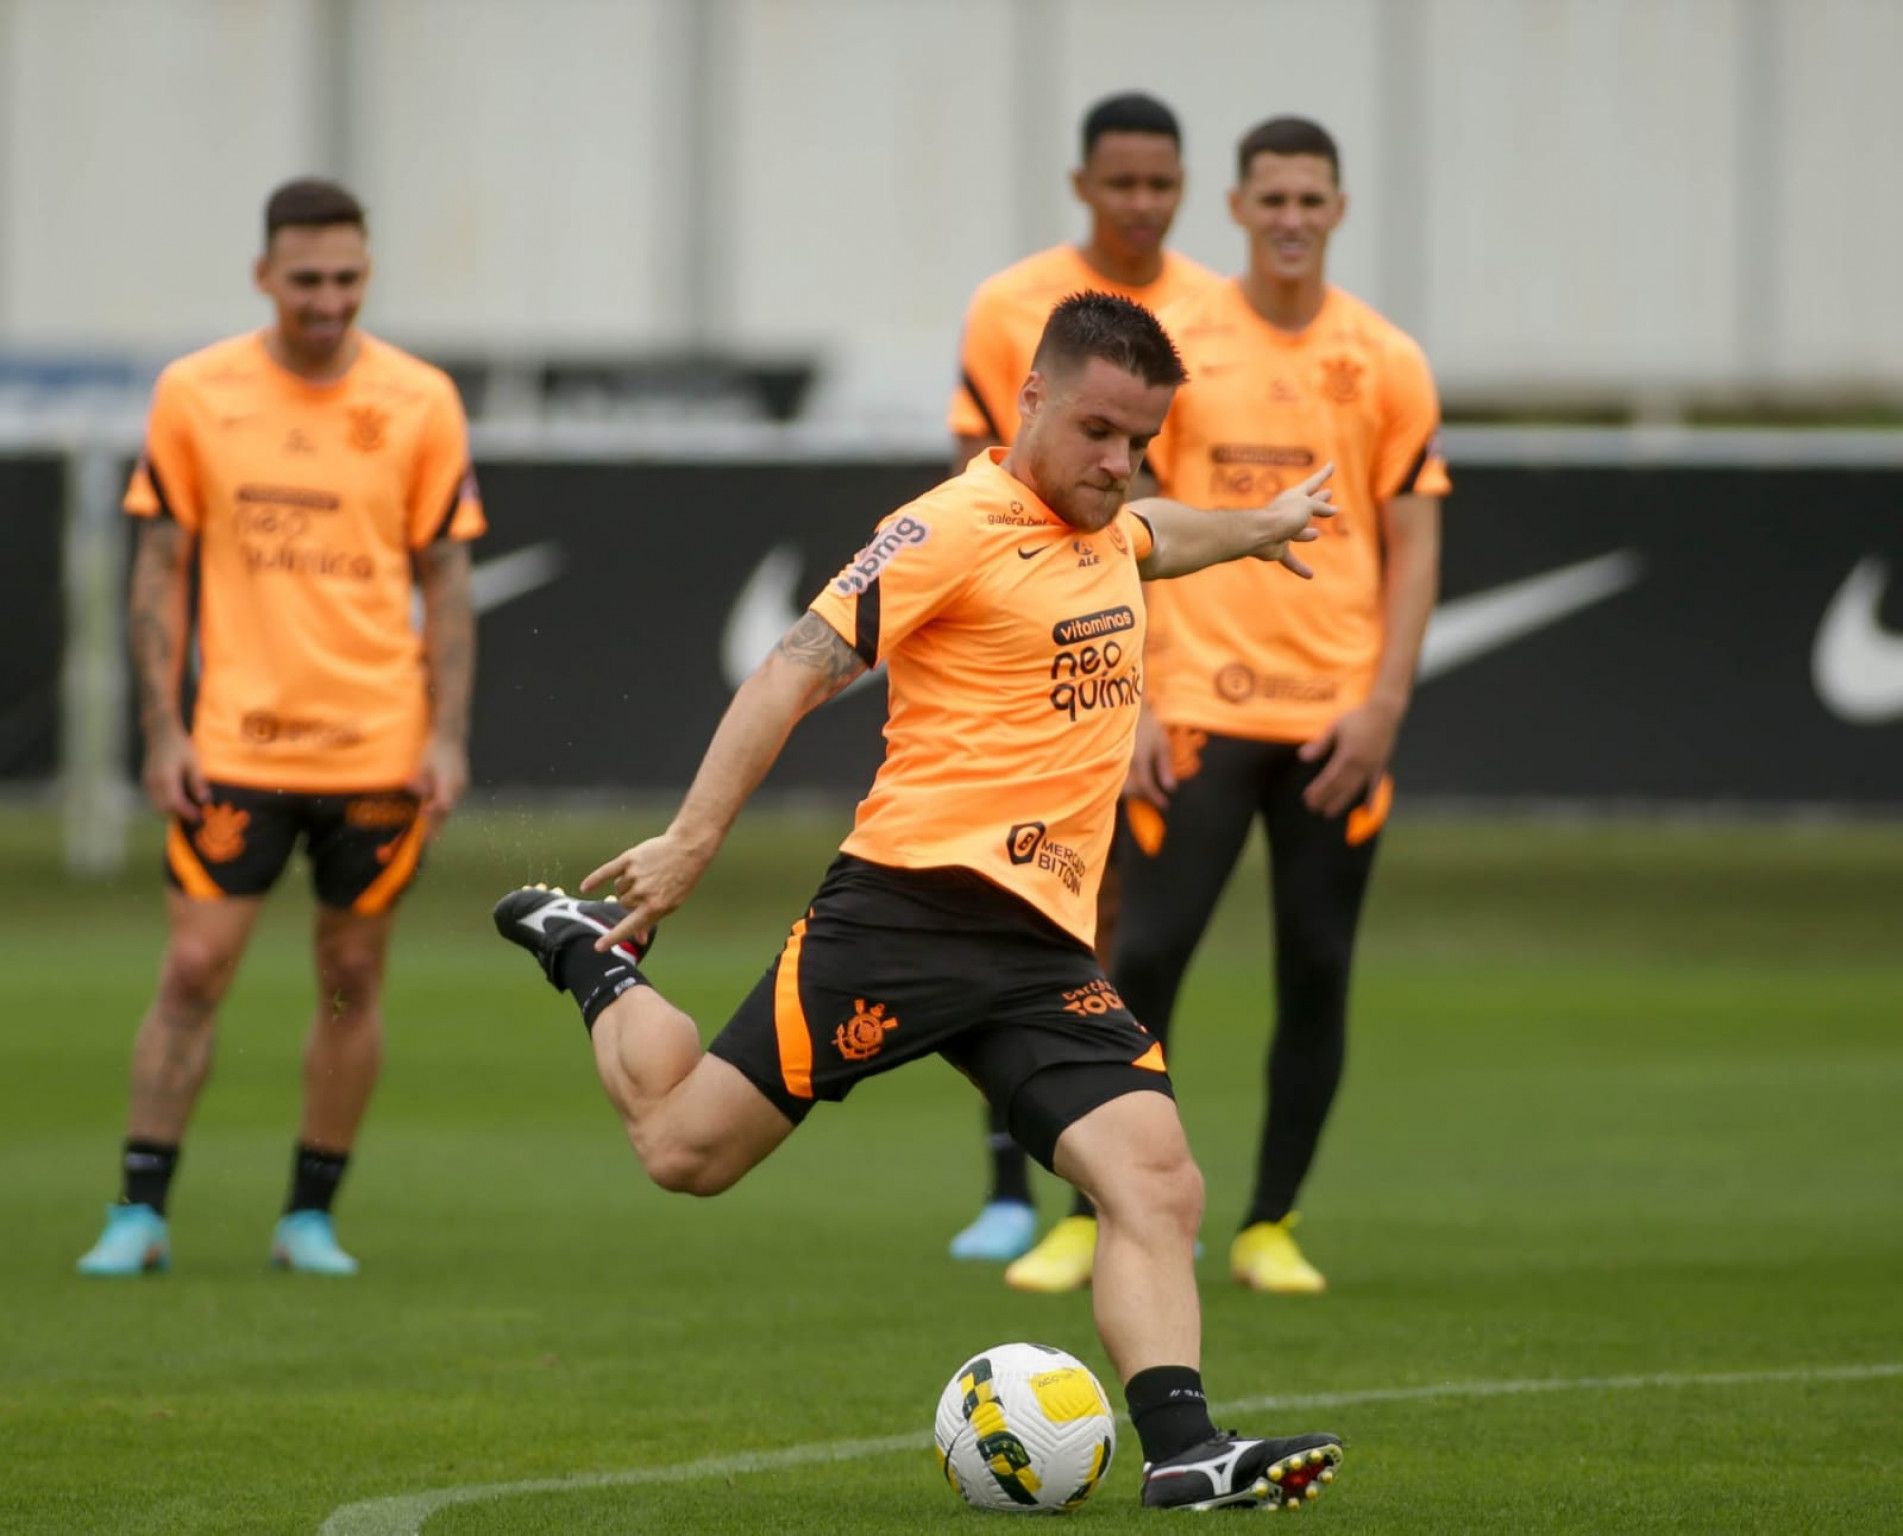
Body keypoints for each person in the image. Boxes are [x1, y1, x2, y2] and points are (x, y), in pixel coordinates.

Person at [493, 293, 1346, 1511]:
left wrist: (1261, 522)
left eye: (1140, 439)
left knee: (1157, 1182)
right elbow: (787, 672)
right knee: (685, 1151)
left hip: (1042, 949)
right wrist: (690, 843)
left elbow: (1162, 530)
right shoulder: (944, 527)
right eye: (1099, 430)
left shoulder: (1107, 524)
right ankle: (591, 961)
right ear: (1032, 400)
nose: (1118, 462)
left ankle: (1183, 1451)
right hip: (908, 912)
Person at [1001, 116, 1451, 1297]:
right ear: (1239, 209)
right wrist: (1138, 696)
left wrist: (1384, 706)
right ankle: (1092, 1210)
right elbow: (1118, 521)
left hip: (1333, 726)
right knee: (1136, 960)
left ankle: (1270, 1224)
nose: (1292, 218)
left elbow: (1414, 543)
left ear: (1338, 210)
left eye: (1313, 199)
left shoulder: (1386, 359)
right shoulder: (1181, 347)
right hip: (1191, 706)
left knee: (1316, 964)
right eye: (1273, 199)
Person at [76, 178, 485, 1278]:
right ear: (264, 276)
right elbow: (159, 568)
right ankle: (139, 1208)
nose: (328, 300)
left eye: (347, 278)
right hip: (235, 748)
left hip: (376, 750)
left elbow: (447, 582)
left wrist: (447, 736)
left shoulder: (421, 401)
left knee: (351, 973)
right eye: (306, 279)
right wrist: (162, 734)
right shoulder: (195, 394)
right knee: (195, 967)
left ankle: (309, 1217)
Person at [946, 90, 1223, 1264]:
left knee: (1102, 920)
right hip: (1020, 655)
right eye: (1122, 183)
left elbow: (1167, 516)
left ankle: (1089, 1190)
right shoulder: (1012, 305)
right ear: (1082, 186)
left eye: (1161, 184)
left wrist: (1158, 687)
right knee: (989, 898)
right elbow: (977, 484)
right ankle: (1009, 1186)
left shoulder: (1213, 315)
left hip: (1159, 665)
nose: (1142, 204)